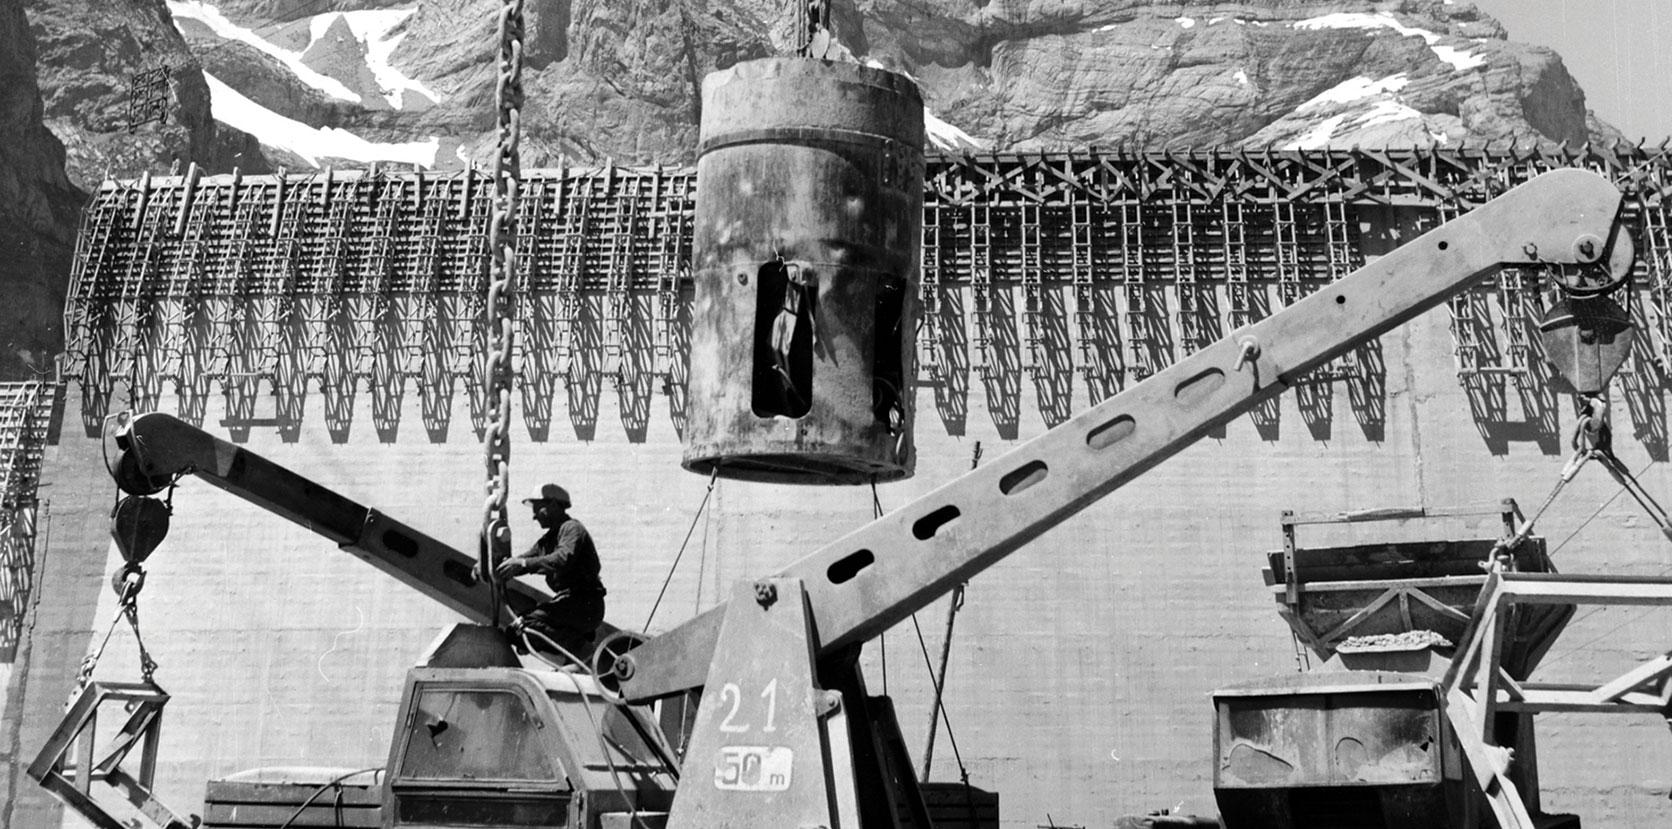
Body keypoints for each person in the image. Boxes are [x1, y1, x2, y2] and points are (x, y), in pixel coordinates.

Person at [494, 483, 607, 666]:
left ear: (553, 505)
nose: (534, 516)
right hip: (571, 605)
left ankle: (580, 649)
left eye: (537, 508)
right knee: (516, 632)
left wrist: (522, 564)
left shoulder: (572, 529)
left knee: (528, 624)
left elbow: (562, 559)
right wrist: (496, 567)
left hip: (585, 605)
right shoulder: (548, 540)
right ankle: (574, 656)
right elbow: (524, 560)